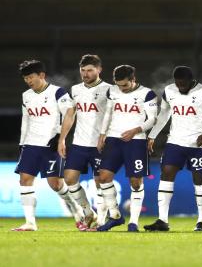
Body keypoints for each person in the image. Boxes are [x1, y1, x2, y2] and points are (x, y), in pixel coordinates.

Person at [143, 66, 202, 232]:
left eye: (183, 83)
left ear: (192, 81)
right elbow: (164, 114)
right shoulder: (169, 90)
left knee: (199, 179)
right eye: (178, 83)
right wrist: (152, 135)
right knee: (166, 173)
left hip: (198, 144)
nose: (180, 87)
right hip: (175, 142)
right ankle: (162, 220)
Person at [13, 60, 83, 231]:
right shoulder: (26, 96)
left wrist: (61, 138)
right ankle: (30, 222)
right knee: (24, 180)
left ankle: (77, 209)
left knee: (56, 185)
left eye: (31, 77)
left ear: (41, 75)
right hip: (31, 144)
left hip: (51, 145)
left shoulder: (57, 92)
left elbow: (70, 113)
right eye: (25, 78)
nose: (28, 81)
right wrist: (22, 143)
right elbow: (26, 120)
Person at [96, 65, 157, 232]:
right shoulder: (112, 91)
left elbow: (152, 119)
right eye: (118, 84)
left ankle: (133, 223)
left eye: (124, 85)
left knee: (136, 182)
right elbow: (108, 113)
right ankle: (115, 216)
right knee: (103, 177)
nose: (121, 88)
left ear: (133, 80)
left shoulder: (147, 94)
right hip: (113, 139)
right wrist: (102, 135)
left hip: (136, 141)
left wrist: (135, 130)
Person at [58, 54, 111, 230]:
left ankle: (101, 220)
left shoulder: (109, 90)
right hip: (79, 143)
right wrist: (62, 139)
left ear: (99, 70)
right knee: (69, 178)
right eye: (83, 70)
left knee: (100, 182)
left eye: (90, 70)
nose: (85, 74)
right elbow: (70, 115)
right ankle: (89, 212)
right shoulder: (75, 89)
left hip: (100, 144)